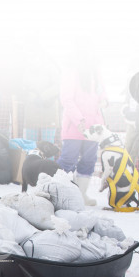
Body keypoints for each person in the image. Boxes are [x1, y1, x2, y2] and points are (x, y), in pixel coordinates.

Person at [55, 52, 107, 206]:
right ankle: (57, 194)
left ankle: (81, 195)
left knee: (89, 161)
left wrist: (104, 101)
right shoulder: (71, 73)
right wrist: (79, 120)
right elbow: (66, 99)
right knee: (68, 160)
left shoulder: (96, 74)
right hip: (74, 127)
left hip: (94, 127)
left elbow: (102, 93)